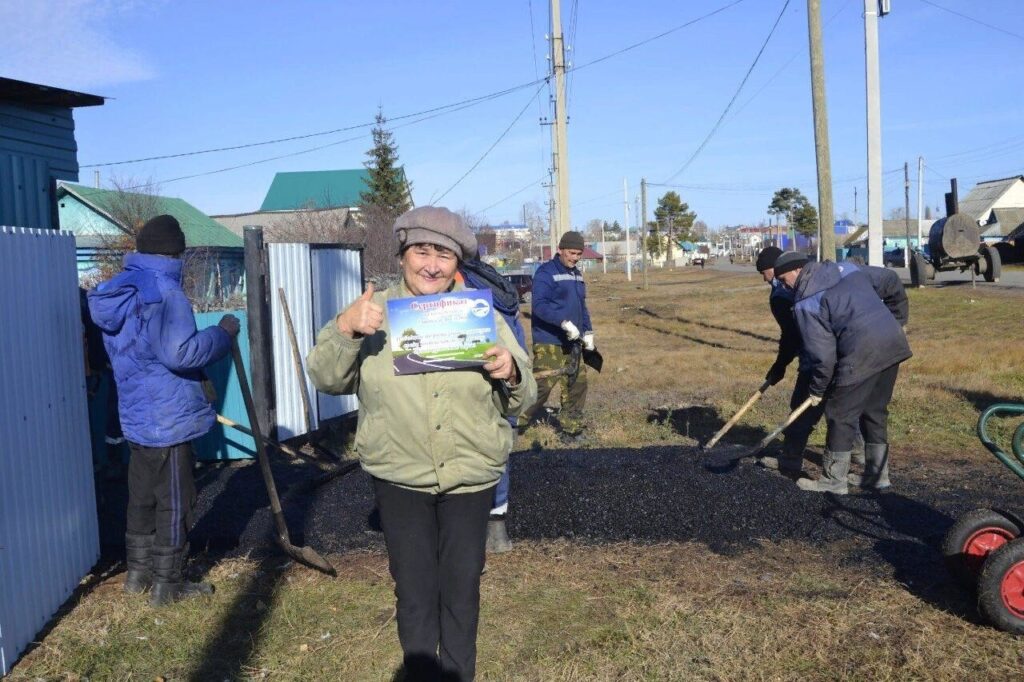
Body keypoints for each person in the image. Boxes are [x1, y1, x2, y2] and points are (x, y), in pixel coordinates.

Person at [306, 206, 536, 681]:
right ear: (403, 254)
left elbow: (526, 393)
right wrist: (346, 329)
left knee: (461, 588)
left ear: (459, 263)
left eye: (445, 255)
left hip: (469, 474)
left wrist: (509, 371)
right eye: (421, 251)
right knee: (413, 591)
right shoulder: (374, 313)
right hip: (400, 475)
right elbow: (326, 378)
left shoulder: (480, 314)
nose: (431, 265)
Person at [88, 215, 240, 605]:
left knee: (141, 495)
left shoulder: (119, 289)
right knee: (175, 499)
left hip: (137, 414)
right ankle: (168, 584)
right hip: (169, 417)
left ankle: (138, 575)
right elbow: (180, 352)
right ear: (176, 252)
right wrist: (220, 335)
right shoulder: (165, 290)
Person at [772, 251, 912, 494]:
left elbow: (823, 358)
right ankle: (878, 477)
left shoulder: (807, 301)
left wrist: (816, 391)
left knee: (840, 413)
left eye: (784, 280)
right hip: (892, 344)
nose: (784, 286)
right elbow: (890, 279)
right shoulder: (845, 269)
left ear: (798, 270)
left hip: (861, 351)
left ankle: (833, 480)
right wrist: (896, 321)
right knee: (874, 411)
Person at [456, 255, 528, 554]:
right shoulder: (494, 283)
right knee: (498, 448)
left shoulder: (462, 289)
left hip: (482, 383)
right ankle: (496, 528)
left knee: (472, 448)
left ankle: (478, 529)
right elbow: (517, 342)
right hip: (506, 377)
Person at [522, 230, 595, 442]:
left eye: (579, 254)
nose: (575, 257)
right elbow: (539, 307)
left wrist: (588, 332)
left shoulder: (577, 275)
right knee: (542, 387)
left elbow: (582, 306)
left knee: (577, 384)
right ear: (560, 250)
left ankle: (571, 430)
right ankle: (515, 423)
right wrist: (562, 322)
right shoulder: (546, 273)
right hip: (549, 341)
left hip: (574, 342)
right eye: (572, 253)